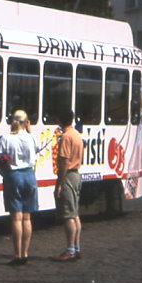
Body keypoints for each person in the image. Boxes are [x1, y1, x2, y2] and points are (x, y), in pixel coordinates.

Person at [0, 109, 38, 266]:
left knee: (16, 218)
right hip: (29, 175)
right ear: (26, 122)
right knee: (27, 217)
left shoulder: (6, 139)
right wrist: (30, 131)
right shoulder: (32, 138)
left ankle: (17, 254)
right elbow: (37, 149)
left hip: (13, 176)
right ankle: (26, 253)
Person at [53, 110, 84, 261]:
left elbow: (64, 161)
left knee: (68, 216)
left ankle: (70, 250)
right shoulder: (77, 134)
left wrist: (59, 183)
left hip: (68, 176)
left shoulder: (65, 137)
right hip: (76, 174)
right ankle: (76, 248)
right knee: (75, 214)